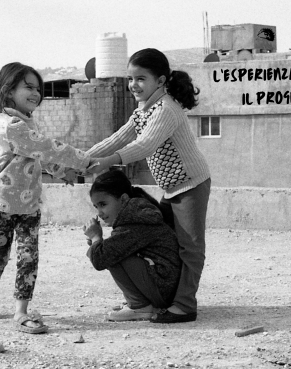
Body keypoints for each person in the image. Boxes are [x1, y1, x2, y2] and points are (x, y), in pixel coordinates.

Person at [86, 48, 211, 323]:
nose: (134, 85)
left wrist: (107, 162)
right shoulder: (144, 110)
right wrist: (80, 160)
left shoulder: (166, 108)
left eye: (141, 78)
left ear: (161, 80)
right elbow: (116, 139)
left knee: (190, 248)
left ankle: (185, 305)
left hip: (190, 185)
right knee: (165, 242)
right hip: (172, 188)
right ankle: (152, 299)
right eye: (131, 79)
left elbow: (145, 145)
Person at [0, 62, 94, 334]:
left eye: (38, 88)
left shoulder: (25, 123)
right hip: (0, 203)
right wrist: (82, 160)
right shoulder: (12, 125)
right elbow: (46, 147)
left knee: (28, 258)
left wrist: (60, 171)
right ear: (8, 90)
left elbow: (36, 154)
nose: (36, 93)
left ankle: (21, 312)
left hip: (28, 204)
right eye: (28, 87)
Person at [83, 170, 181, 321]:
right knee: (112, 250)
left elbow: (101, 259)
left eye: (103, 204)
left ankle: (140, 306)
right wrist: (98, 243)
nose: (100, 213)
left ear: (123, 199)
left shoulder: (134, 219)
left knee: (111, 254)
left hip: (163, 288)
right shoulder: (136, 212)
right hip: (165, 285)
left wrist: (96, 238)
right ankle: (142, 303)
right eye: (96, 207)